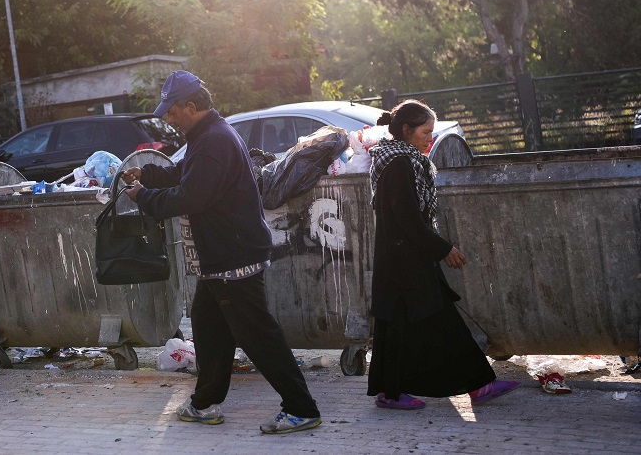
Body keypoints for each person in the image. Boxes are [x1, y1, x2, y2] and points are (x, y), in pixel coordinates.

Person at [123, 70, 322, 434]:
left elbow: (191, 196)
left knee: (258, 336)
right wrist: (147, 175)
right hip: (222, 258)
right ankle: (204, 404)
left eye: (173, 110)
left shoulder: (214, 140)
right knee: (209, 329)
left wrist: (144, 198)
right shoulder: (209, 136)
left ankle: (301, 408)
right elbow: (187, 174)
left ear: (193, 106)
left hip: (233, 258)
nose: (169, 118)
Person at [367, 100, 519, 409]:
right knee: (435, 319)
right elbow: (408, 219)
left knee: (404, 323)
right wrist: (443, 248)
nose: (430, 139)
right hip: (404, 261)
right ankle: (475, 386)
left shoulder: (399, 159)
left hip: (403, 258)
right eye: (425, 132)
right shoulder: (399, 164)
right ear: (407, 131)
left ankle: (393, 391)